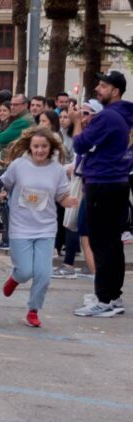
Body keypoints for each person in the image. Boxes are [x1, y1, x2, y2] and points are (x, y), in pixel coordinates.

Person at [71, 70, 133, 317]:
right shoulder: (127, 116)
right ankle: (114, 296)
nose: (98, 88)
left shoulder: (107, 117)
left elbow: (79, 144)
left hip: (102, 183)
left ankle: (104, 298)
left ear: (115, 91)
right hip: (119, 182)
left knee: (100, 243)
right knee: (113, 243)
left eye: (103, 86)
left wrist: (77, 121)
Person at [1, 127, 77, 327]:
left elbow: (61, 196)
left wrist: (69, 201)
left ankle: (33, 310)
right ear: (30, 146)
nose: (40, 150)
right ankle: (16, 278)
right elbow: (4, 185)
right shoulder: (18, 165)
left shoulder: (57, 170)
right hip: (20, 227)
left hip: (45, 228)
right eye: (36, 146)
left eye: (44, 146)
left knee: (43, 274)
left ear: (51, 148)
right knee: (25, 271)